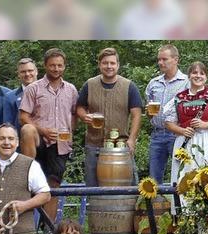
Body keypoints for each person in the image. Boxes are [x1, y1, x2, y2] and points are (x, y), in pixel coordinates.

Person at [19, 48, 78, 222]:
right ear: (45, 66)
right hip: (38, 141)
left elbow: (76, 112)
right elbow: (23, 116)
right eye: (52, 65)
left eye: (59, 65)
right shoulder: (33, 88)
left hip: (60, 144)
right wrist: (42, 130)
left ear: (64, 67)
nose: (56, 69)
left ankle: (49, 231)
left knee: (53, 186)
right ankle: (27, 170)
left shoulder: (71, 89)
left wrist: (70, 129)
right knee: (27, 129)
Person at [76, 47, 143, 186]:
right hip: (94, 145)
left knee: (126, 189)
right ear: (99, 64)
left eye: (112, 63)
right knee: (93, 189)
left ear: (118, 65)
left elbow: (137, 115)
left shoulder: (129, 86)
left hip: (121, 145)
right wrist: (83, 116)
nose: (109, 66)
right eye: (105, 63)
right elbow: (79, 107)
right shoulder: (89, 84)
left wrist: (132, 140)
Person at [144, 44, 188, 184]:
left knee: (182, 175)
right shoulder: (153, 83)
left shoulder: (187, 82)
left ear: (176, 60)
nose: (160, 63)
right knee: (154, 179)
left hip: (178, 134)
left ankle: (180, 206)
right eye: (159, 59)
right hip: (157, 135)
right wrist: (149, 112)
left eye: (164, 59)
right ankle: (156, 205)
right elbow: (149, 113)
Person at [4, 58, 38, 136]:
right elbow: (8, 126)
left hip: (48, 143)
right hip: (21, 144)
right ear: (18, 74)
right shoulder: (9, 97)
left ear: (36, 72)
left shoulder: (49, 93)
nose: (27, 74)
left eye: (30, 70)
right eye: (23, 72)